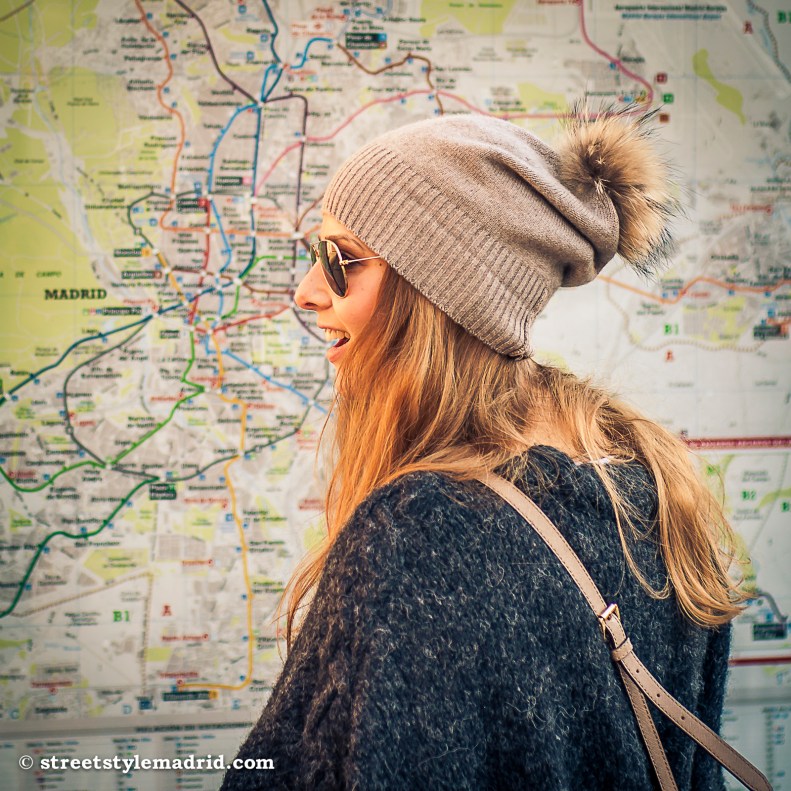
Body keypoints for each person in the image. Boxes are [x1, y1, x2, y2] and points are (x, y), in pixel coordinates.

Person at [220, 108, 745, 790]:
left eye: (341, 260)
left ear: (439, 292)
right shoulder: (655, 490)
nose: (307, 292)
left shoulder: (418, 530)